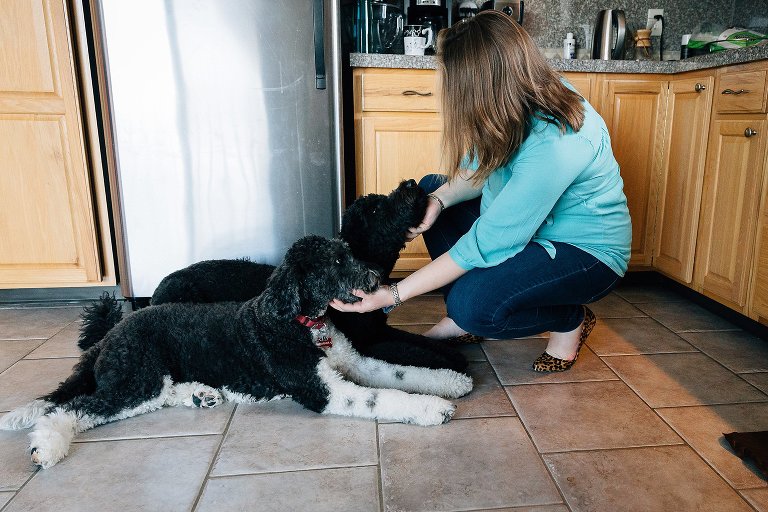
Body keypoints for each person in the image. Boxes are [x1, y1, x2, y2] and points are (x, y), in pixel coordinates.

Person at [331, 10, 631, 373]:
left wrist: (392, 296)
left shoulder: (556, 142)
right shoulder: (508, 104)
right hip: (527, 229)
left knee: (473, 306)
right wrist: (439, 200)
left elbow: (485, 243)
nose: (443, 88)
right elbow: (475, 172)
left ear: (479, 86)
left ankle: (569, 320)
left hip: (584, 252)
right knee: (430, 190)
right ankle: (467, 316)